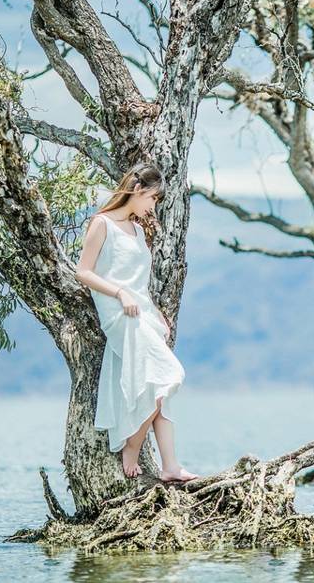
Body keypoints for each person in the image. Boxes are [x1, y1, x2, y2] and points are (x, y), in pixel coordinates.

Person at [74, 163, 198, 482]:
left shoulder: (139, 230)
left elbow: (139, 282)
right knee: (171, 375)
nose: (153, 206)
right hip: (120, 312)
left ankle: (170, 465)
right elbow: (83, 272)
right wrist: (119, 293)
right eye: (153, 198)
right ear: (138, 191)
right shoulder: (101, 224)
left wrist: (156, 312)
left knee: (160, 388)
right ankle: (133, 445)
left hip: (141, 312)